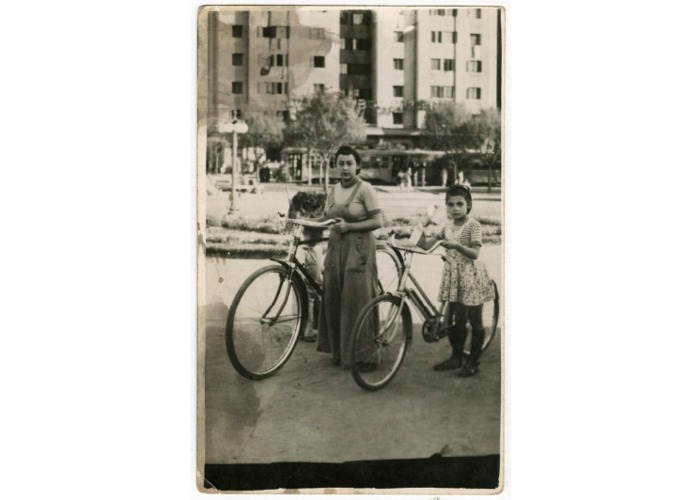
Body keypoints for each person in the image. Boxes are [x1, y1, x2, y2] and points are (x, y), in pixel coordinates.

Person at [316, 145, 383, 368]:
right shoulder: (334, 189)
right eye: (341, 163)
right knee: (334, 297)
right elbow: (326, 218)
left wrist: (350, 227)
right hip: (336, 249)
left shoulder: (366, 189)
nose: (344, 168)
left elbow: (378, 222)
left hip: (359, 249)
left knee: (357, 300)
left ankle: (365, 356)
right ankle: (340, 353)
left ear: (358, 166)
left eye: (349, 163)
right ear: (336, 166)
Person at [419, 184, 495, 377]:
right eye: (450, 205)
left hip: (471, 276)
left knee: (474, 320)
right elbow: (427, 245)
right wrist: (416, 232)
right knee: (456, 320)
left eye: (460, 204)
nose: (455, 208)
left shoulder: (473, 226)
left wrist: (457, 246)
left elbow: (475, 253)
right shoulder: (447, 226)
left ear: (468, 205)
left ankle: (473, 361)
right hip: (453, 276)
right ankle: (456, 356)